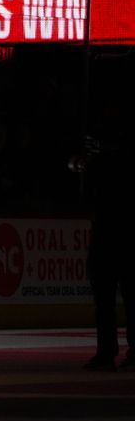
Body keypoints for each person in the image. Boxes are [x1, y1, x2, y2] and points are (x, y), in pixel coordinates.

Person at [69, 94, 134, 372]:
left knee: (112, 296)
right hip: (111, 227)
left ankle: (108, 352)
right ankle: (107, 351)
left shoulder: (112, 154)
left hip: (119, 227)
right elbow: (75, 165)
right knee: (108, 296)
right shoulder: (100, 153)